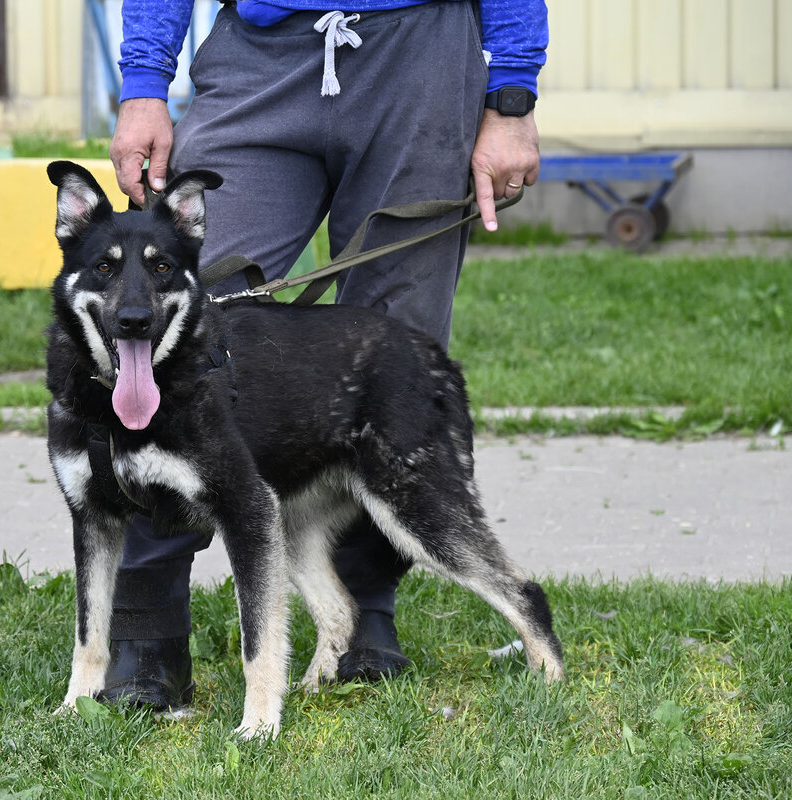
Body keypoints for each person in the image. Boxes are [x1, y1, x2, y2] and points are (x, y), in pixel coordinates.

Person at [99, 0, 548, 709]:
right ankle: (146, 630)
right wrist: (144, 83)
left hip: (422, 57)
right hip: (260, 51)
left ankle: (363, 612)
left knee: (391, 348)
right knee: (176, 317)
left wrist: (513, 92)